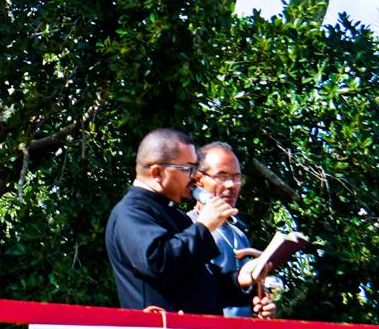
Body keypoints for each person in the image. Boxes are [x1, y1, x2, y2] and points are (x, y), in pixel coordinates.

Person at [105, 128, 275, 317]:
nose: (194, 177)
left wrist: (240, 279)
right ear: (157, 172)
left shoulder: (176, 216)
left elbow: (200, 283)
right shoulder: (131, 212)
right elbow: (159, 262)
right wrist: (204, 227)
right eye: (188, 169)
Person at [194, 142, 258, 319]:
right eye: (222, 176)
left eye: (237, 178)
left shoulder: (239, 234)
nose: (231, 185)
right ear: (199, 180)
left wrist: (258, 307)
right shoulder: (187, 226)